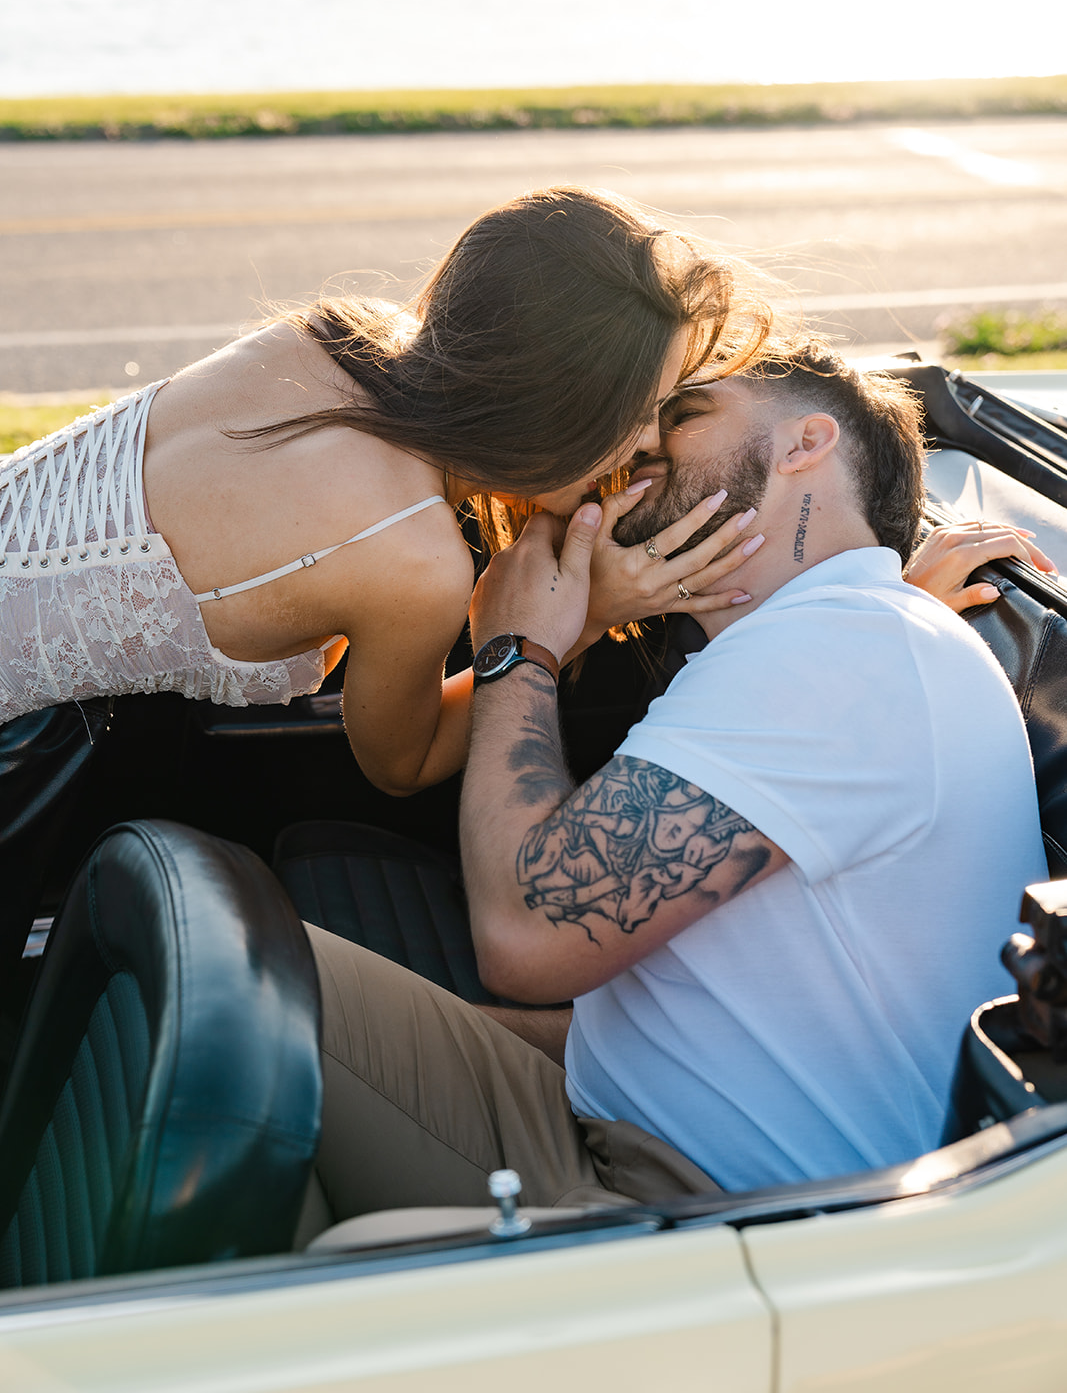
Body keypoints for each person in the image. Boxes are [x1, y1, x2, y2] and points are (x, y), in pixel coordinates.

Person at [305, 331, 1049, 1222]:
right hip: (637, 1137)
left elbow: (526, 935)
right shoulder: (842, 641)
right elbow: (680, 1011)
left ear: (804, 445)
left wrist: (519, 648)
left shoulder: (849, 644)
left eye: (683, 416)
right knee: (260, 979)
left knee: (239, 974)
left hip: (719, 1211)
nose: (639, 448)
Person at [0, 186, 777, 795]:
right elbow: (401, 767)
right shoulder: (408, 557)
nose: (648, 442)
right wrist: (588, 614)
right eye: (638, 413)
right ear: (553, 413)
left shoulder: (333, 336)